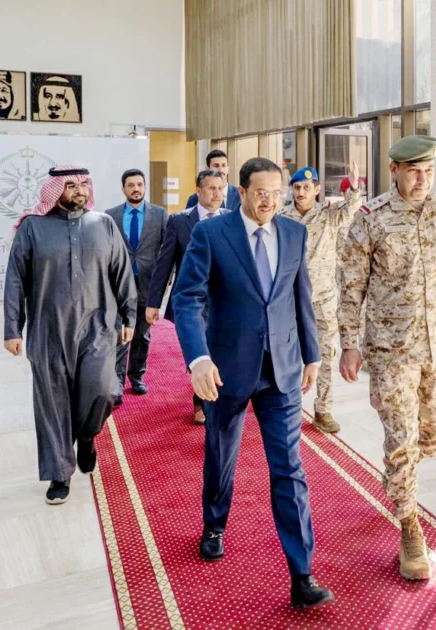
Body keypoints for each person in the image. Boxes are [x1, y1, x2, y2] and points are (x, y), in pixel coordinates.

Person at [172, 157, 333, 609]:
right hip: (226, 369)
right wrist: (198, 358)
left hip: (281, 368)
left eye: (276, 193)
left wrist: (312, 354)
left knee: (289, 467)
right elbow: (187, 299)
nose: (270, 201)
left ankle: (302, 573)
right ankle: (214, 524)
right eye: (261, 192)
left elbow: (300, 296)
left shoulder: (294, 233)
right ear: (241, 192)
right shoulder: (211, 234)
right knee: (221, 453)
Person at [337, 135, 436, 582]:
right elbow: (351, 285)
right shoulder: (370, 219)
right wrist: (349, 343)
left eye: (428, 171)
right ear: (394, 170)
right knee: (402, 437)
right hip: (391, 352)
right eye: (413, 171)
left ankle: (399, 472)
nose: (422, 180)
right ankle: (409, 522)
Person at [3, 166, 136, 505]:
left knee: (104, 391)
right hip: (48, 330)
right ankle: (59, 473)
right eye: (71, 185)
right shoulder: (33, 227)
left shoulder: (103, 224)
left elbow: (122, 273)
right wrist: (12, 328)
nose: (79, 191)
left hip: (99, 328)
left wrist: (129, 315)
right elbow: (15, 279)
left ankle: (87, 437)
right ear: (56, 190)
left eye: (83, 185)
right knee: (53, 404)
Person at [278, 163, 363, 433]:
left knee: (326, 353)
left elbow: (351, 209)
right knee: (289, 355)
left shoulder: (329, 216)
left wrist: (355, 186)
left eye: (306, 187)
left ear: (316, 190)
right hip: (291, 299)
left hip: (324, 298)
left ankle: (323, 410)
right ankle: (288, 406)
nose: (301, 192)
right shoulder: (282, 218)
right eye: (296, 187)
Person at [146, 169, 230, 424]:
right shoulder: (179, 221)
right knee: (200, 348)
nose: (217, 194)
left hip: (225, 301)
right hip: (193, 301)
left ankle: (216, 397)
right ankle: (201, 401)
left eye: (220, 189)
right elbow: (164, 263)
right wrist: (153, 302)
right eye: (211, 188)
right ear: (198, 190)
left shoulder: (232, 219)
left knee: (222, 350)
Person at [105, 170, 168, 404]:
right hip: (118, 285)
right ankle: (117, 383)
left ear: (145, 187)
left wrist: (163, 283)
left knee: (142, 335)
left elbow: (167, 251)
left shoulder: (159, 214)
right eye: (131, 185)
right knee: (120, 334)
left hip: (147, 283)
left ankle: (137, 376)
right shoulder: (110, 216)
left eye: (140, 184)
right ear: (123, 189)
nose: (136, 189)